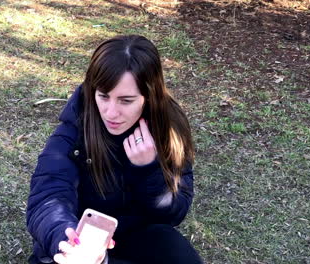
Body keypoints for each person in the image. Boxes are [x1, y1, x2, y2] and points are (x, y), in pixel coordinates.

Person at [26, 35, 203, 264]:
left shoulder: (168, 129)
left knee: (179, 254)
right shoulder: (75, 130)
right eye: (103, 96)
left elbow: (174, 213)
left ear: (149, 97)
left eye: (126, 100)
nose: (110, 112)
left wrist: (149, 169)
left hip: (138, 237)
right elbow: (48, 197)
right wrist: (66, 238)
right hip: (83, 240)